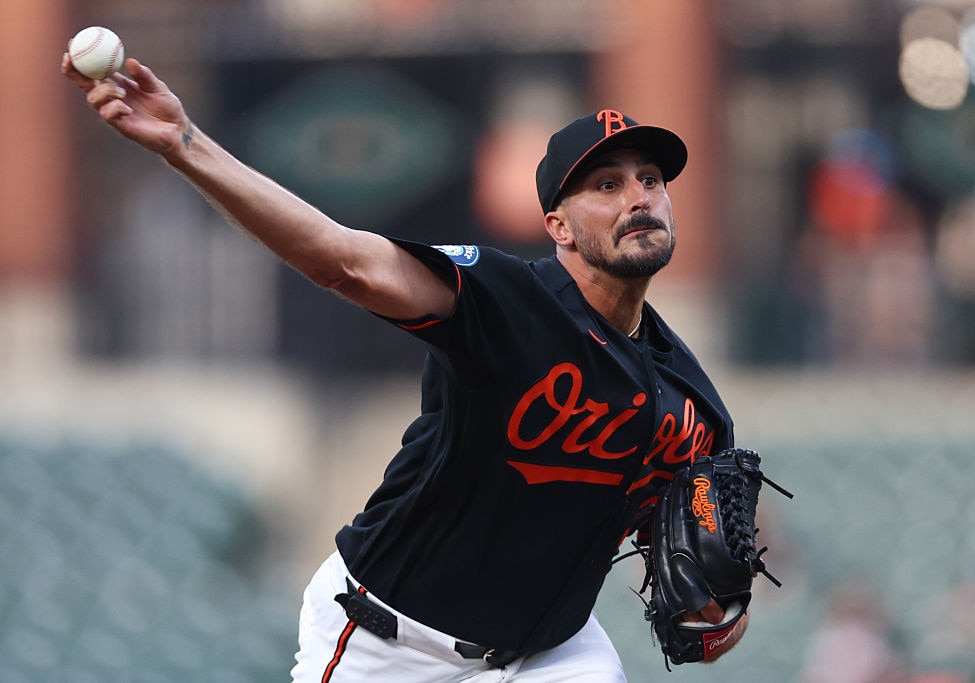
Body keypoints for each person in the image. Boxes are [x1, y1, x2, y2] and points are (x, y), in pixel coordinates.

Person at [63, 54, 745, 681]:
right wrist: (185, 142)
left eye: (650, 180)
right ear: (558, 226)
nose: (638, 197)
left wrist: (717, 605)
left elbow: (685, 537)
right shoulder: (505, 302)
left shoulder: (691, 400)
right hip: (388, 640)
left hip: (548, 652)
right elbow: (343, 261)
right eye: (606, 183)